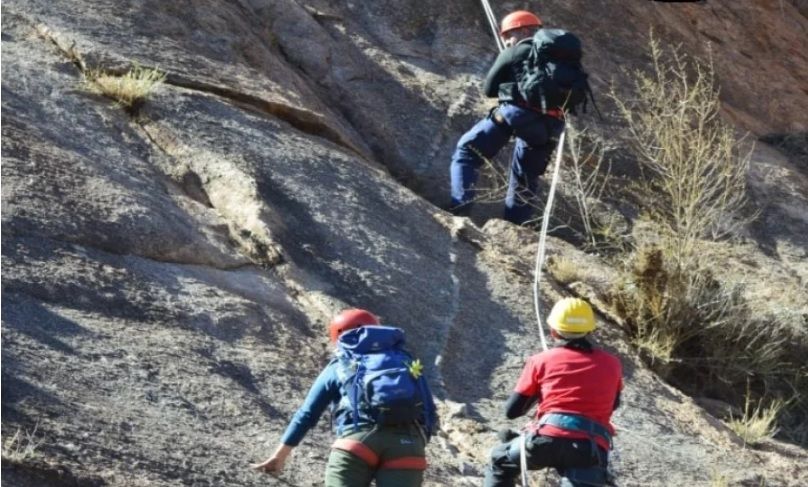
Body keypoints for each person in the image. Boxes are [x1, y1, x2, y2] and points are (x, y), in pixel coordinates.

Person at [252, 309, 439, 487]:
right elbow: (429, 411)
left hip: (357, 442)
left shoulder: (341, 364)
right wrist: (413, 446)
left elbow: (307, 414)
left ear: (339, 337)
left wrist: (280, 455)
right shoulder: (405, 361)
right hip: (408, 444)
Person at [484, 298, 623, 487]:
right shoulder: (612, 364)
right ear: (590, 331)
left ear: (553, 331)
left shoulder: (541, 360)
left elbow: (512, 411)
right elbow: (614, 404)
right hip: (588, 449)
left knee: (500, 460)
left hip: (545, 440)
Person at [449, 10, 566, 224]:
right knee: (525, 180)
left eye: (509, 36)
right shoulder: (559, 57)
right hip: (551, 126)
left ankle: (460, 211)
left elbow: (489, 89)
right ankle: (513, 228)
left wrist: (510, 80)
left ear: (522, 30)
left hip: (517, 114)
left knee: (467, 152)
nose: (507, 41)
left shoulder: (515, 51)